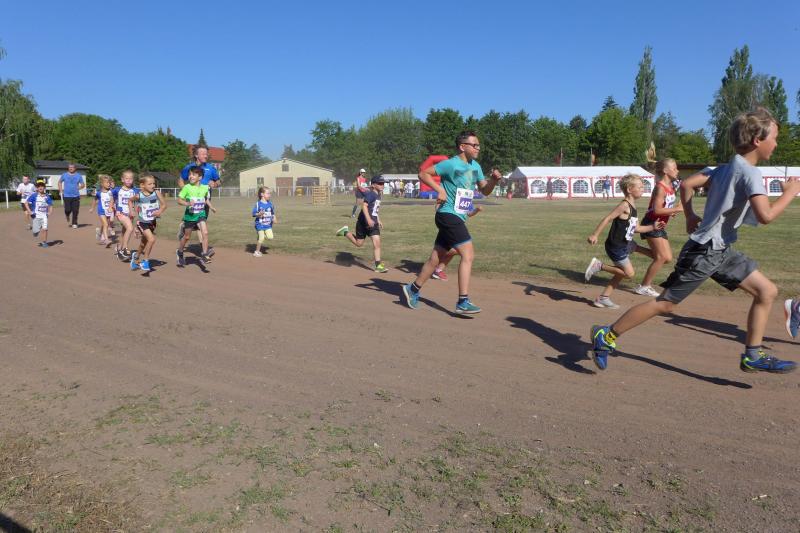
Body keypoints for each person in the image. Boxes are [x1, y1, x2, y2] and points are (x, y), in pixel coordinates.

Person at [590, 108, 800, 373]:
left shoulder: (724, 168)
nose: (777, 143)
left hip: (719, 249)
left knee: (766, 291)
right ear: (758, 140)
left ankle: (752, 355)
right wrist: (791, 192)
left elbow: (687, 184)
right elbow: (765, 215)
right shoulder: (750, 173)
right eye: (775, 138)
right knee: (665, 303)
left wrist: (690, 216)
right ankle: (607, 335)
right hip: (705, 252)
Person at [401, 131, 502, 314]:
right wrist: (439, 190)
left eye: (478, 145)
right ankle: (463, 301)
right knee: (468, 254)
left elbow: (485, 191)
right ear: (462, 147)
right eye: (474, 145)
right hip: (447, 214)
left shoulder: (476, 166)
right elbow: (423, 174)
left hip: (458, 216)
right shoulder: (450, 164)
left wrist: (493, 181)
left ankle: (412, 289)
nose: (478, 148)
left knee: (435, 259)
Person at [584, 174, 663, 309]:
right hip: (616, 246)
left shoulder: (633, 207)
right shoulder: (624, 205)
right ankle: (599, 266)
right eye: (640, 187)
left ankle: (603, 298)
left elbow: (637, 228)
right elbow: (608, 218)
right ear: (629, 189)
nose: (643, 188)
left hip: (625, 244)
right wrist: (595, 234)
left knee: (621, 272)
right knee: (628, 274)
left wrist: (653, 227)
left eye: (643, 186)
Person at [634, 159, 683, 297]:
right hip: (652, 223)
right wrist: (677, 209)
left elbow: (663, 208)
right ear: (666, 171)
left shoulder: (670, 187)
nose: (677, 170)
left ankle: (634, 247)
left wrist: (671, 211)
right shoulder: (660, 187)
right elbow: (656, 210)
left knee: (667, 258)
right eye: (674, 168)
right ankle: (644, 286)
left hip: (659, 224)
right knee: (661, 258)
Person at [336, 176, 388, 273]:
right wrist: (368, 219)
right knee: (359, 243)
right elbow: (364, 206)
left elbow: (375, 209)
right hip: (363, 222)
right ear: (373, 185)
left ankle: (378, 265)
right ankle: (345, 232)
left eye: (383, 183)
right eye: (380, 183)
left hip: (373, 223)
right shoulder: (371, 194)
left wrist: (378, 219)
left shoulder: (379, 195)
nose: (382, 185)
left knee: (377, 243)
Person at [177, 146, 220, 252]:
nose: (206, 156)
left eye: (206, 154)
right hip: (193, 202)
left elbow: (218, 181)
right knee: (199, 222)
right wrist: (186, 192)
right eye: (203, 154)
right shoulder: (189, 167)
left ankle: (185, 227)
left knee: (201, 222)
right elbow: (181, 180)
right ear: (196, 155)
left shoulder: (211, 168)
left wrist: (214, 184)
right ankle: (203, 250)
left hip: (205, 200)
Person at [176, 166, 216, 266]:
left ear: (200, 177)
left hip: (200, 214)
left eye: (193, 174)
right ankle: (180, 252)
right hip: (190, 216)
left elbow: (205, 199)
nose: (190, 176)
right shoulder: (187, 187)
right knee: (187, 237)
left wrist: (211, 207)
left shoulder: (205, 187)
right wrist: (187, 203)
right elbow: (179, 200)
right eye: (190, 174)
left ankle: (205, 254)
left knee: (205, 232)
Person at [432, 205, 483, 281]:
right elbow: (438, 206)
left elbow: (469, 213)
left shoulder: (466, 199)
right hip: (449, 223)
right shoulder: (450, 198)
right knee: (460, 251)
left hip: (454, 226)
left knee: (451, 249)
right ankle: (436, 268)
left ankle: (437, 269)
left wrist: (477, 210)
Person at [129, 175, 167, 273]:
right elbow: (130, 201)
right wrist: (131, 210)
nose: (153, 185)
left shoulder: (156, 193)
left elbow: (164, 205)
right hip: (142, 222)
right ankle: (145, 261)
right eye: (150, 184)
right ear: (142, 185)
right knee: (151, 239)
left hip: (152, 222)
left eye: (154, 183)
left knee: (143, 244)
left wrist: (159, 211)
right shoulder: (139, 196)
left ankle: (135, 257)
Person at [110, 170, 139, 261]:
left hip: (130, 214)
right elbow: (113, 198)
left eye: (131, 178)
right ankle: (124, 248)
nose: (129, 180)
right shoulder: (117, 190)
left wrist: (135, 211)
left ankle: (119, 246)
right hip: (121, 213)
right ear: (122, 179)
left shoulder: (135, 190)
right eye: (127, 178)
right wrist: (110, 206)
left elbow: (137, 202)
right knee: (130, 228)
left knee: (124, 231)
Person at [25, 179, 53, 247]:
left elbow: (50, 205)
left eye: (42, 186)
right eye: (39, 186)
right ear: (37, 188)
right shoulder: (34, 195)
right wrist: (29, 211)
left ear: (44, 187)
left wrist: (50, 212)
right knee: (35, 231)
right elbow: (26, 203)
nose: (40, 187)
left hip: (44, 216)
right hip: (36, 216)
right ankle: (36, 232)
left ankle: (44, 242)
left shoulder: (47, 196)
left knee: (45, 229)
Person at [251, 187, 277, 257]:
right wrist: (259, 214)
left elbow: (272, 213)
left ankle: (261, 235)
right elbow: (253, 214)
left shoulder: (270, 204)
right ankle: (257, 252)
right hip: (260, 224)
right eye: (268, 193)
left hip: (268, 225)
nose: (269, 195)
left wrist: (274, 218)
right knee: (261, 238)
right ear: (262, 194)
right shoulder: (258, 204)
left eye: (270, 193)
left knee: (270, 237)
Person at [58, 163, 85, 228]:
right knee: (68, 210)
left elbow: (83, 184)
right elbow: (59, 182)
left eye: (72, 167)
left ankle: (74, 223)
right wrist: (60, 190)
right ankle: (67, 215)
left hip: (76, 196)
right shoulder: (64, 175)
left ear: (75, 168)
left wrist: (79, 187)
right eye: (69, 167)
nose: (70, 168)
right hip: (67, 196)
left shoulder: (79, 175)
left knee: (75, 210)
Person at [91, 175, 114, 245]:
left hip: (108, 210)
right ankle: (106, 239)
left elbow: (112, 200)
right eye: (107, 182)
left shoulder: (111, 192)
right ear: (102, 184)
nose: (109, 184)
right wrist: (92, 208)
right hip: (101, 210)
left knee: (105, 224)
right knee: (106, 224)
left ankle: (100, 233)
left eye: (109, 182)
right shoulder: (99, 193)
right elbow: (95, 200)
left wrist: (110, 207)